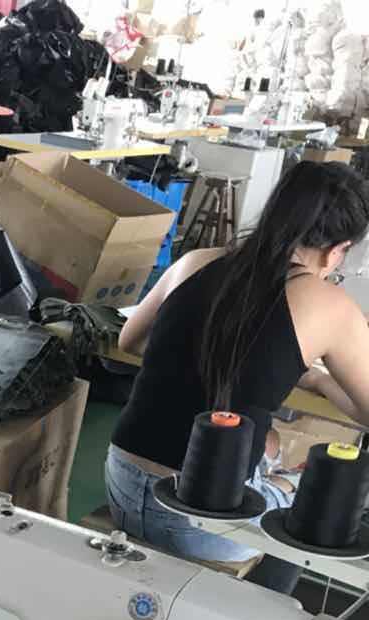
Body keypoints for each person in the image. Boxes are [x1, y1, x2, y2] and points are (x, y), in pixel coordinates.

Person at [105, 160, 369, 590]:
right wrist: (322, 380)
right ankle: (268, 610)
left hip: (123, 486)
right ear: (336, 250)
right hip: (200, 524)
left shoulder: (196, 262)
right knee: (316, 493)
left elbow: (129, 341)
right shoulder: (328, 303)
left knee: (270, 442)